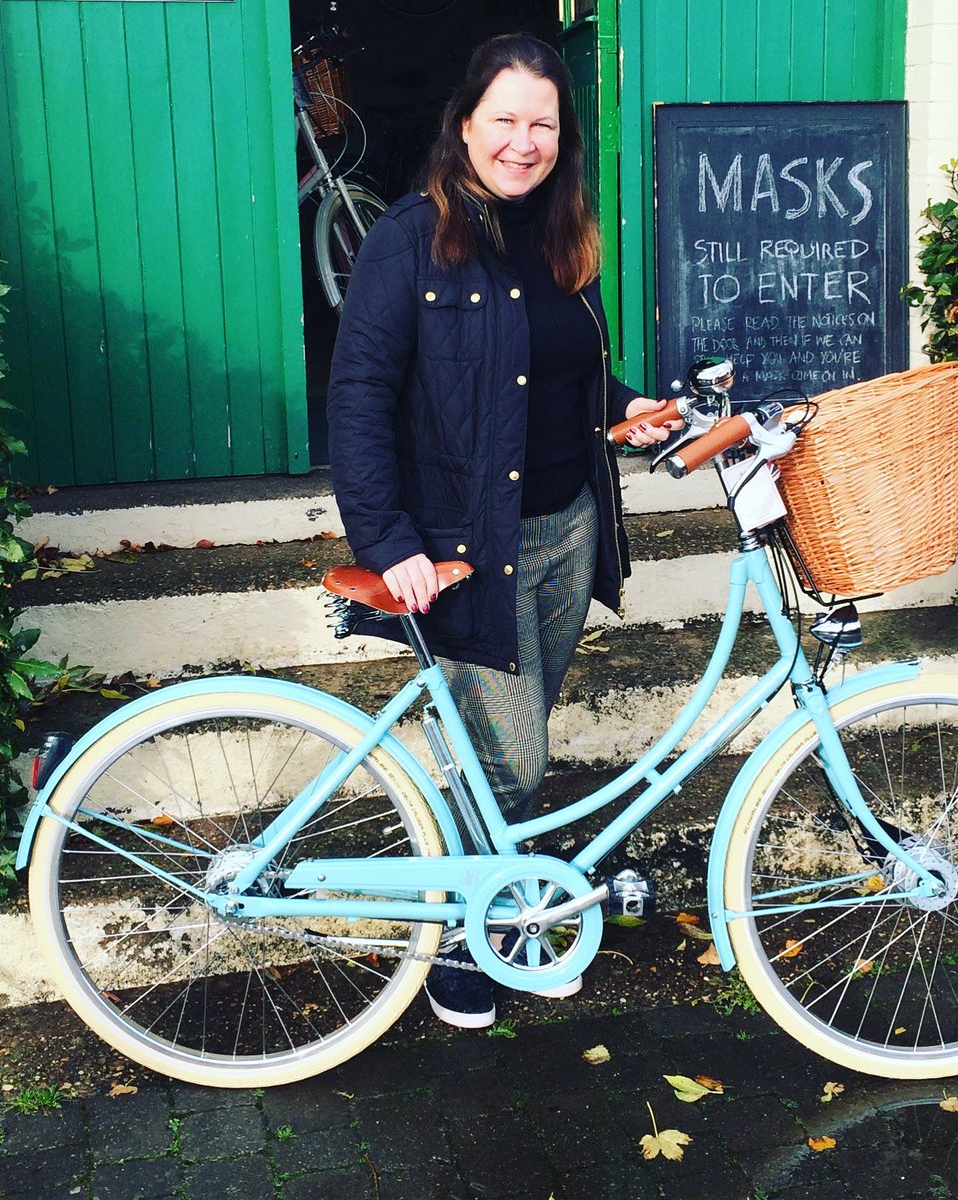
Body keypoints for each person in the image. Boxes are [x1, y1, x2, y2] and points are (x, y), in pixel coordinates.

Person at [326, 32, 678, 1028]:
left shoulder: (565, 235)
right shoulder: (410, 237)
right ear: (466, 125)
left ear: (562, 137)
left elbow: (560, 370)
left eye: (543, 124)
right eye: (506, 121)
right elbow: (358, 396)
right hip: (466, 546)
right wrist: (389, 539)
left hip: (567, 529)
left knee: (502, 759)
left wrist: (628, 404)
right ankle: (457, 949)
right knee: (510, 761)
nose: (524, 142)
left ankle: (500, 916)